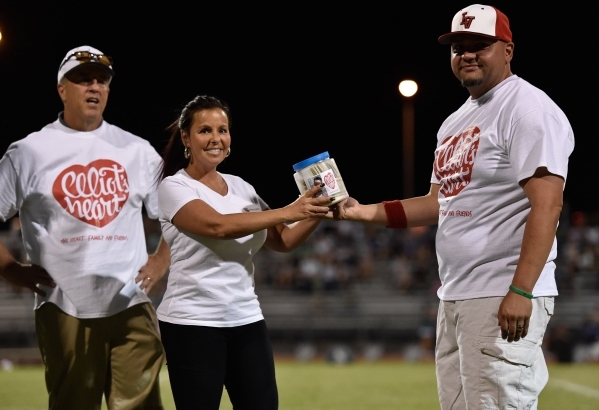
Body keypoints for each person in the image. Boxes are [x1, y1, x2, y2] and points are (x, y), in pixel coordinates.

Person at [330, 4, 574, 409]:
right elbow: (437, 203)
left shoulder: (527, 108)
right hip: (458, 293)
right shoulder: (455, 121)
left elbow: (547, 205)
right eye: (459, 47)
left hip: (501, 289)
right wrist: (360, 212)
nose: (467, 54)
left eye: (480, 45)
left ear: (508, 50)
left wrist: (520, 290)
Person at [0, 45, 170, 409]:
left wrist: (161, 260)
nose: (94, 86)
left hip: (132, 302)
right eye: (82, 79)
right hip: (64, 306)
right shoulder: (27, 152)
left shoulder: (137, 149)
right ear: (61, 89)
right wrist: (10, 269)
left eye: (102, 80)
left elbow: (179, 214)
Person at [157, 95, 330, 409]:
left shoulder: (241, 187)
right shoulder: (174, 187)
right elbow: (217, 226)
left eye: (222, 130)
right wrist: (291, 209)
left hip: (246, 318)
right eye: (205, 130)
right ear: (186, 138)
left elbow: (284, 240)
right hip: (192, 322)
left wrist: (320, 209)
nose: (216, 138)